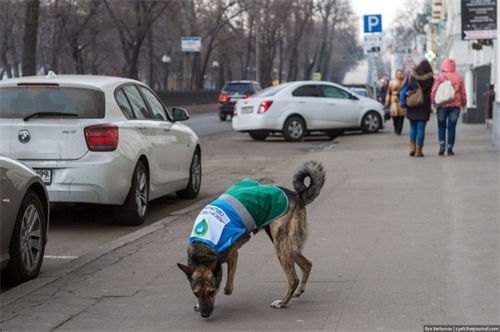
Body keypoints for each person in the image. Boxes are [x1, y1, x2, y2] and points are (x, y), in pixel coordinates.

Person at [431, 58, 467, 155]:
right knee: (452, 127)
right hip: (455, 106)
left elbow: (434, 90)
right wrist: (464, 104)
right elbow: (463, 92)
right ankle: (450, 147)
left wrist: (433, 102)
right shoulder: (459, 78)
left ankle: (442, 144)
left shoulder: (440, 77)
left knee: (441, 126)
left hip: (442, 105)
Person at [405, 60, 434, 157]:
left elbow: (405, 87)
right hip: (424, 105)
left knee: (413, 128)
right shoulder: (430, 79)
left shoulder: (412, 76)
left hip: (413, 104)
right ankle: (419, 150)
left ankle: (412, 148)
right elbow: (432, 92)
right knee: (421, 129)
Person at [385, 69, 406, 135]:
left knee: (401, 116)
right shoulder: (392, 82)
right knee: (394, 115)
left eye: (400, 73)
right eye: (398, 73)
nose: (399, 75)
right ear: (396, 74)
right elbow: (389, 93)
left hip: (402, 99)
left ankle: (399, 130)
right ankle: (396, 127)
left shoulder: (404, 82)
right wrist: (387, 102)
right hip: (394, 100)